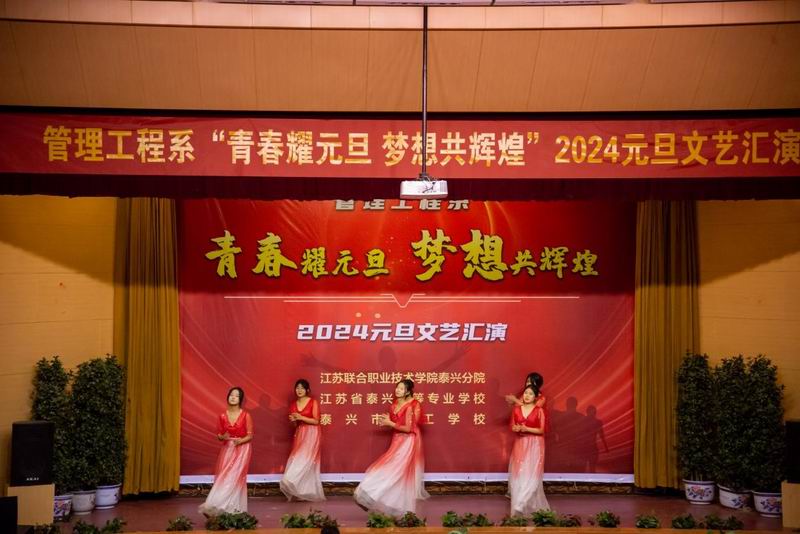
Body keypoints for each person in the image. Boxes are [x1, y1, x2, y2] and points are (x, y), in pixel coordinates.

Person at [354, 379, 429, 516]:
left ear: (407, 392)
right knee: (390, 469)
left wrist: (390, 423)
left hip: (407, 442)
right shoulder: (393, 405)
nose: (397, 390)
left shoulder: (409, 406)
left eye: (401, 389)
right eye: (397, 388)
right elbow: (396, 424)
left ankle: (388, 503)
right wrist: (388, 423)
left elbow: (408, 428)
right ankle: (372, 496)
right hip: (397, 440)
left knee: (396, 472)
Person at [199, 387, 254, 516]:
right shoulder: (222, 416)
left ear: (240, 399)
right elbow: (219, 435)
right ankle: (216, 505)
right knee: (224, 476)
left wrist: (240, 441)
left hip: (242, 449)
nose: (233, 397)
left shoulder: (246, 415)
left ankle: (228, 507)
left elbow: (250, 435)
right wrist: (222, 437)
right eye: (231, 395)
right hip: (228, 448)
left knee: (234, 477)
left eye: (236, 395)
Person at [280, 379, 325, 501]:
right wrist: (294, 420)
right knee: (298, 459)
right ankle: (302, 491)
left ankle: (298, 486)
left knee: (307, 461)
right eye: (297, 388)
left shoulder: (313, 402)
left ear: (307, 390)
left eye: (302, 388)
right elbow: (296, 424)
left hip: (312, 433)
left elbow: (316, 421)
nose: (299, 390)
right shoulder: (293, 405)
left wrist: (301, 417)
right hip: (300, 433)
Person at [508, 384, 549, 515]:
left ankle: (521, 502)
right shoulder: (516, 409)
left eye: (530, 394)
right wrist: (516, 428)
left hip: (535, 444)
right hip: (520, 442)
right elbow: (512, 425)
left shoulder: (539, 410)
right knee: (520, 473)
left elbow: (541, 430)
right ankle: (519, 501)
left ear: (536, 397)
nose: (527, 396)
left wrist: (527, 429)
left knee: (533, 474)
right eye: (526, 393)